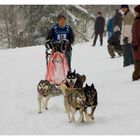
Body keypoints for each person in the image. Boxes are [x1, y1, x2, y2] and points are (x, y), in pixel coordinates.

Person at [131, 5, 140, 81]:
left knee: (137, 62)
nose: (134, 12)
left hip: (138, 45)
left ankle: (135, 78)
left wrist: (134, 44)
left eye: (135, 11)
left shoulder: (137, 21)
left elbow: (135, 34)